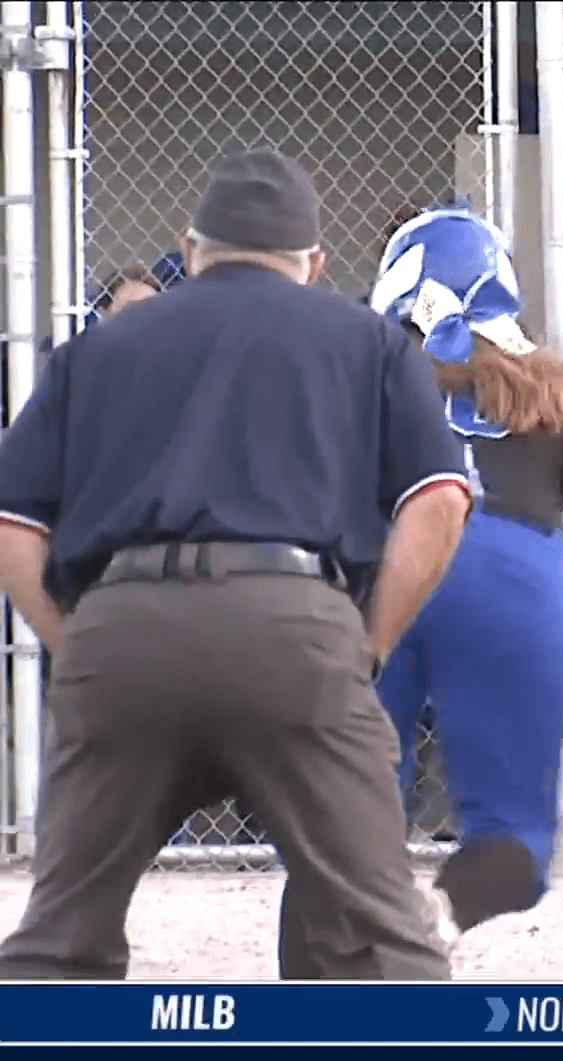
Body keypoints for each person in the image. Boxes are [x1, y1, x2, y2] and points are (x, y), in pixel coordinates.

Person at [0, 148, 470, 980]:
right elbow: (438, 503)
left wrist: (76, 646)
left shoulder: (100, 348)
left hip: (123, 630)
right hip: (295, 625)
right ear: (316, 262)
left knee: (58, 945)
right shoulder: (366, 339)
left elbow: (12, 521)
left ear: (188, 250)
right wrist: (366, 644)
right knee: (380, 945)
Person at [367, 205, 563, 947]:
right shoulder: (559, 387)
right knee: (514, 843)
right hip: (511, 568)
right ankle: (438, 918)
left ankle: (360, 903)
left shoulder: (365, 372)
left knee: (353, 802)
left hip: (389, 563)